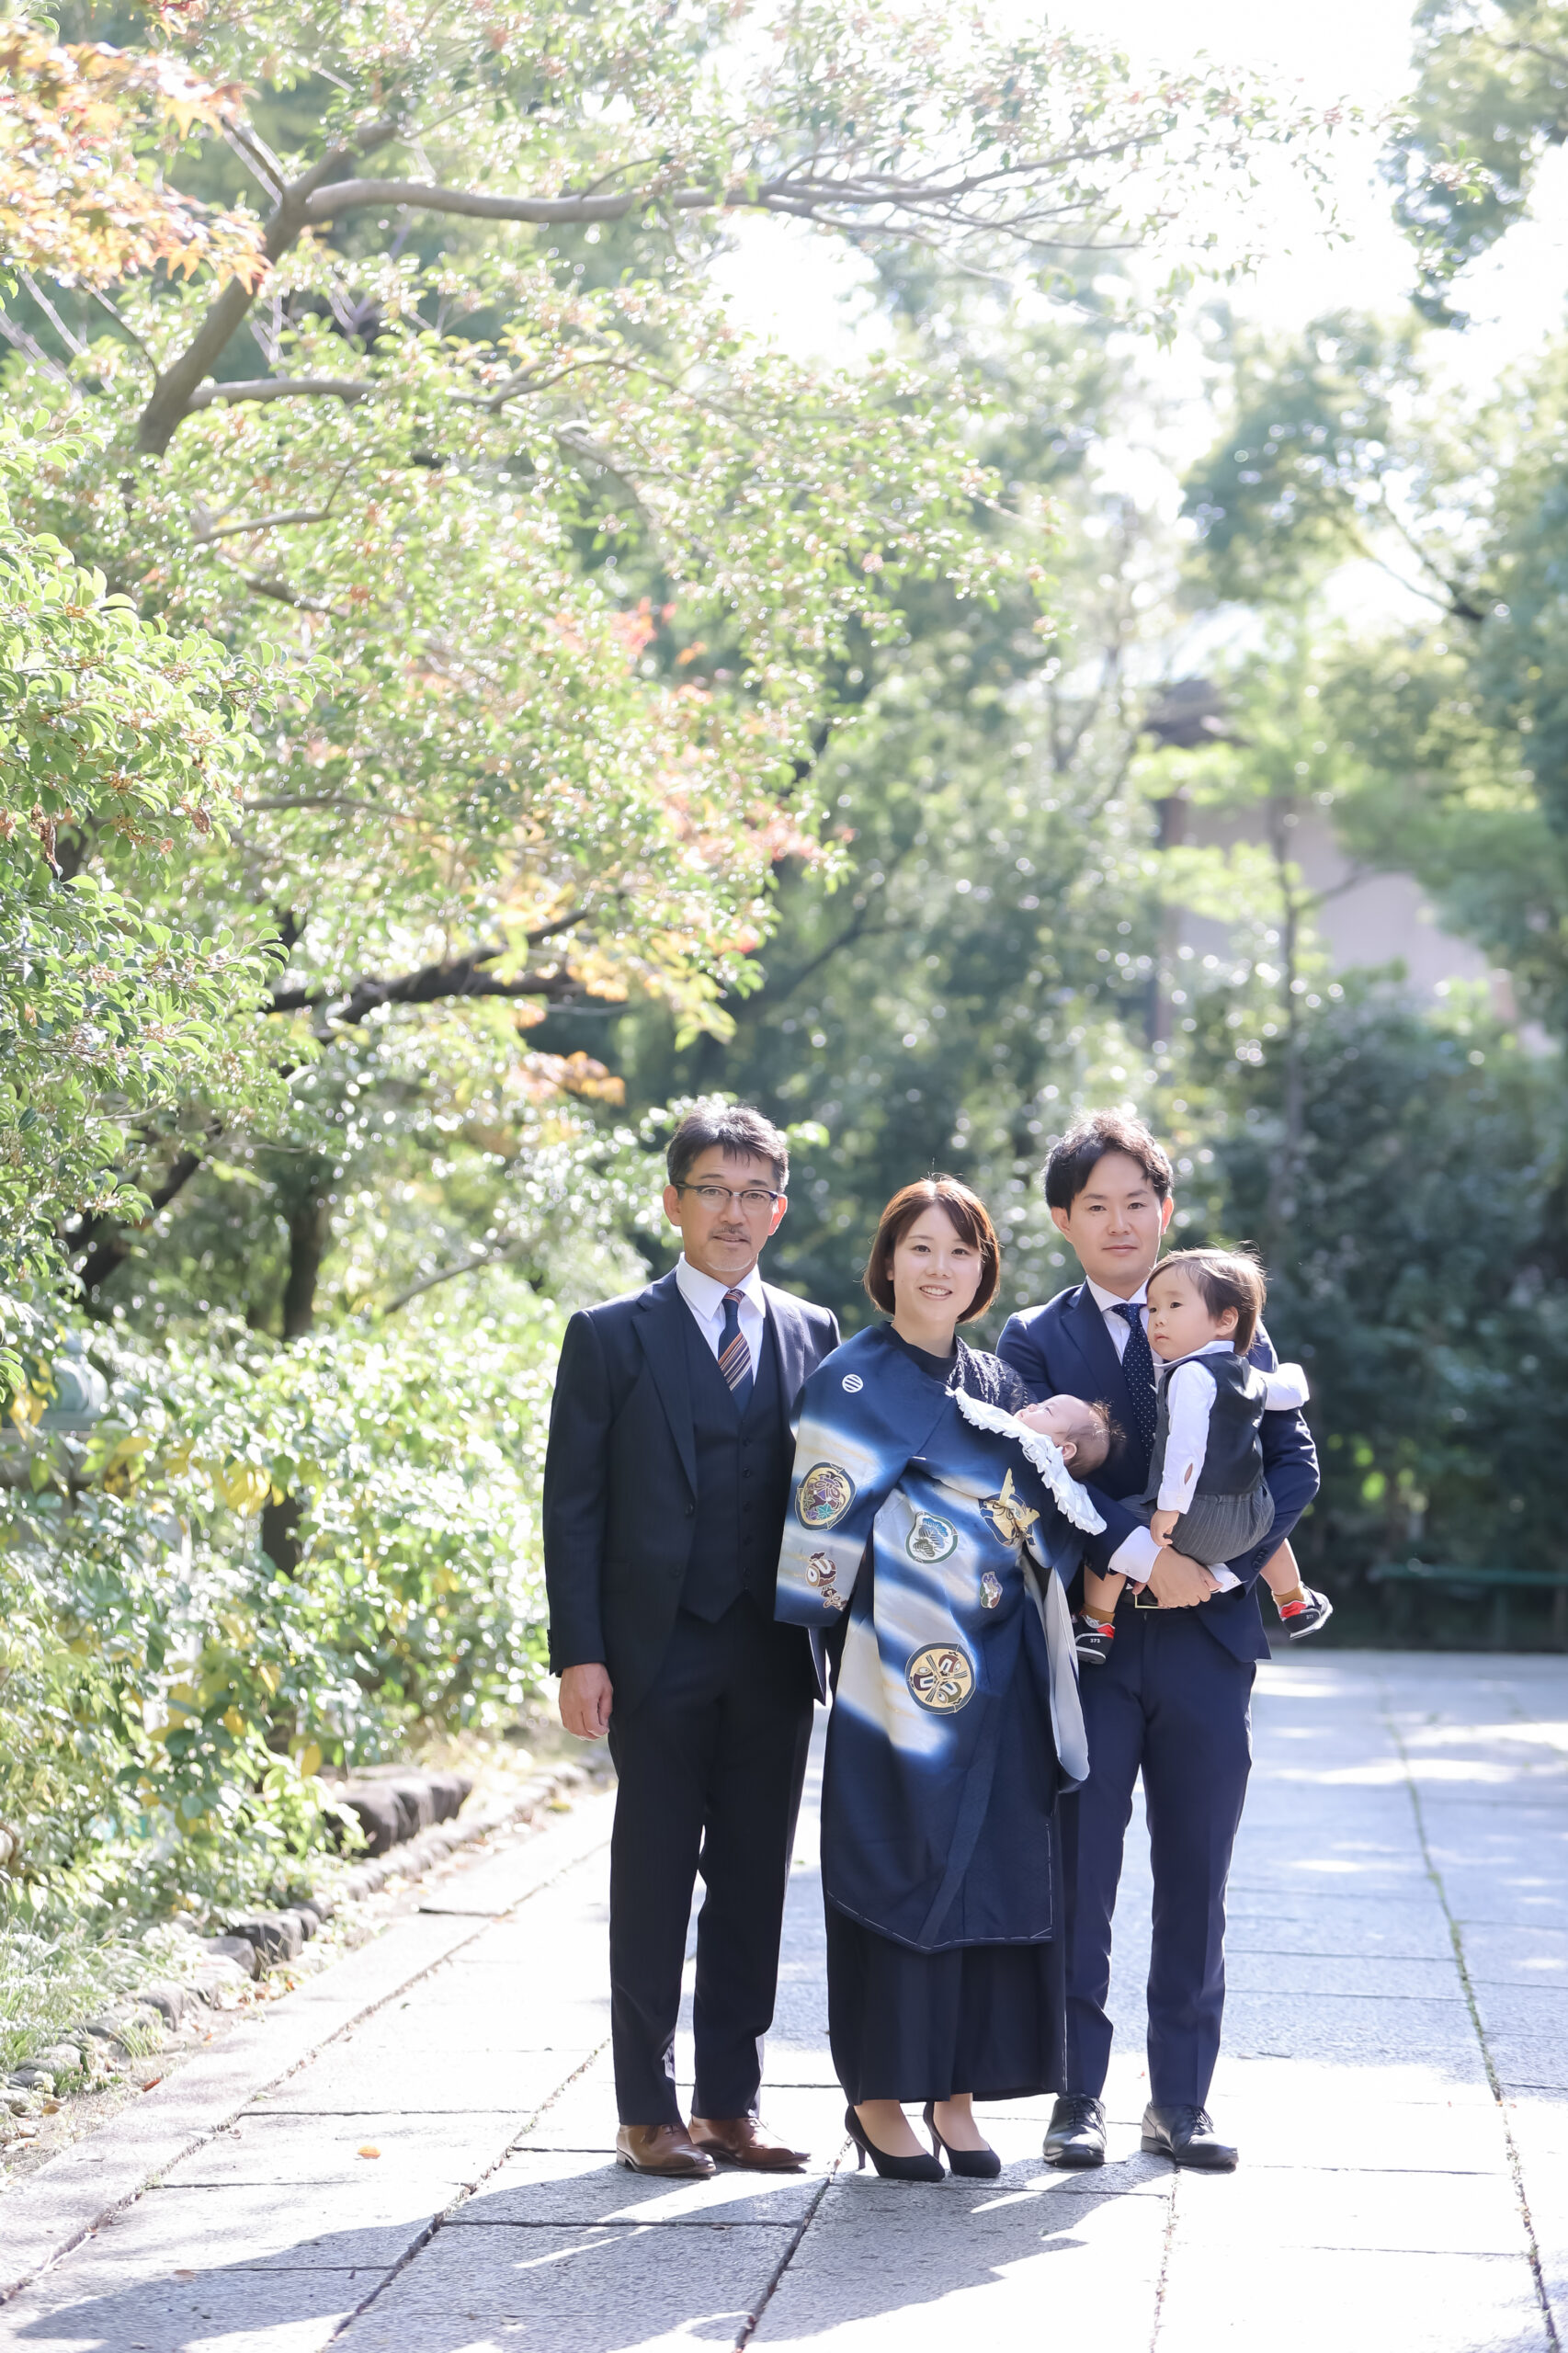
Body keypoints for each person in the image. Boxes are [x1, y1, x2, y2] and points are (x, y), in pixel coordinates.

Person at [997, 1112, 1321, 2174]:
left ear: (1165, 1209)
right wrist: (1143, 1552)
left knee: (1195, 1877)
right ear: (1062, 1219)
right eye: (1095, 1205)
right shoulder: (1031, 1339)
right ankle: (1074, 2096)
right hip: (1087, 1651)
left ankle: (1180, 2099)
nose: (1119, 1222)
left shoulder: (1224, 1318)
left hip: (1208, 1644)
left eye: (1137, 1201)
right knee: (1077, 1878)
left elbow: (1294, 1466)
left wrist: (1220, 1569)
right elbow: (1030, 1477)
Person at [776, 1177, 1098, 2182]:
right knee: (898, 1861)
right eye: (919, 1247)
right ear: (887, 1262)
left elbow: (1045, 1515)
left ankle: (955, 2092)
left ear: (982, 1270)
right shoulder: (851, 1381)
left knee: (990, 1868)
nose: (939, 1267)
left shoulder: (997, 1384)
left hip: (1002, 1669)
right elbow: (817, 1542)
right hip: (892, 1680)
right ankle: (877, 2095)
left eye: (961, 1251)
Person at [542, 1104, 839, 2179]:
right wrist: (579, 1652)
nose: (732, 1212)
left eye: (754, 1193)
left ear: (778, 1211)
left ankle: (726, 2105)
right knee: (654, 1878)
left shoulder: (812, 1332)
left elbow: (833, 1498)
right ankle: (645, 2111)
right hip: (654, 1652)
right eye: (711, 1189)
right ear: (673, 1201)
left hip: (773, 1650)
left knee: (754, 1882)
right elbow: (572, 1506)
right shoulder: (611, 1334)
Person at [1061, 1247, 1315, 1665]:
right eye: (1153, 1308)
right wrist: (1293, 1372)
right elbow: (1291, 1392)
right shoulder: (1247, 1373)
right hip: (1250, 1518)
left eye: (1174, 1306)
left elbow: (1187, 1450)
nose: (1158, 1318)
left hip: (1194, 1516)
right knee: (1270, 1518)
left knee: (1113, 1526)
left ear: (1226, 1320)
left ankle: (1096, 1622)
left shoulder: (1190, 1375)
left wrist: (1169, 1507)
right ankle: (1294, 1600)